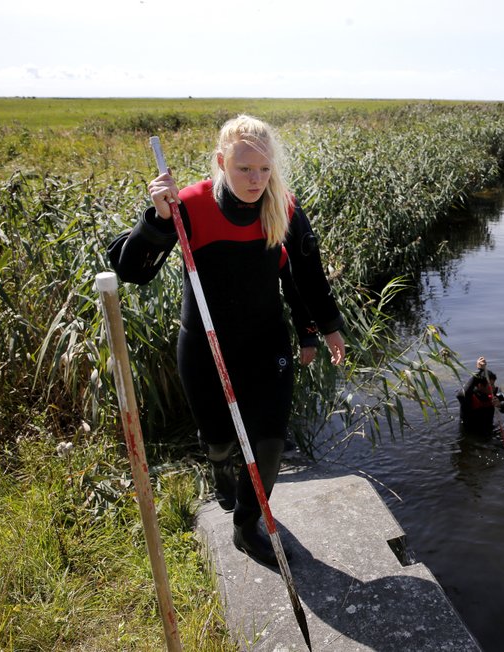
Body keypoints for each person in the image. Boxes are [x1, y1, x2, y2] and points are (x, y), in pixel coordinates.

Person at [108, 114, 345, 566]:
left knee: (270, 443)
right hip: (203, 347)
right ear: (221, 162)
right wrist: (159, 218)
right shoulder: (190, 204)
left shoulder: (285, 208)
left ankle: (246, 526)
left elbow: (307, 278)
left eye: (264, 169)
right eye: (243, 169)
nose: (256, 180)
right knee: (218, 440)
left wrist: (324, 327)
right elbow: (132, 270)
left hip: (265, 345)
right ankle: (220, 465)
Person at [456, 356, 504, 437]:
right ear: (480, 386)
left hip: (488, 429)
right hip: (469, 433)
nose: (494, 387)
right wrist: (479, 371)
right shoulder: (469, 395)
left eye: (493, 384)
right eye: (491, 385)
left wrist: (500, 405)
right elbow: (461, 395)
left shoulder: (495, 393)